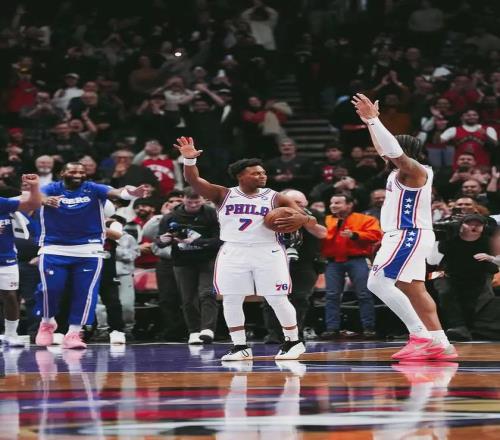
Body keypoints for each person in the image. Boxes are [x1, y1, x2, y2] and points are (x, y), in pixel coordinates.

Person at [174, 136, 315, 361]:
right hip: (233, 251)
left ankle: (293, 342)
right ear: (241, 176)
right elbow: (194, 180)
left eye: (263, 172)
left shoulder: (276, 197)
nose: (262, 176)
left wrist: (302, 219)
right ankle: (240, 346)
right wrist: (189, 160)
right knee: (231, 299)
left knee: (276, 298)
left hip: (268, 250)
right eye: (256, 173)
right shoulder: (223, 194)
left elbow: (307, 217)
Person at [352, 93, 457, 360]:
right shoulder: (399, 171)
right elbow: (384, 149)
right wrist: (369, 122)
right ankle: (441, 343)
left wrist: (374, 121)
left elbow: (392, 151)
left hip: (407, 234)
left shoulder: (415, 170)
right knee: (414, 289)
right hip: (409, 235)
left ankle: (419, 336)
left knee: (377, 283)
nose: (382, 152)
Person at [35, 162, 147, 349]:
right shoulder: (51, 188)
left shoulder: (93, 188)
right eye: (73, 171)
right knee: (50, 289)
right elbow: (35, 196)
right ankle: (46, 321)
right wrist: (44, 200)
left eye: (81, 171)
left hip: (89, 248)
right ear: (62, 173)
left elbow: (116, 192)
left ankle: (74, 333)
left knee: (85, 293)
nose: (78, 174)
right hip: (54, 247)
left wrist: (130, 193)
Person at [320, 193, 382, 339]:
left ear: (349, 205)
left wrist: (355, 235)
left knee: (364, 294)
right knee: (331, 295)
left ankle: (368, 328)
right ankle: (332, 329)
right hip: (333, 262)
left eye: (337, 203)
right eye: (332, 203)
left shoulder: (366, 219)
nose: (333, 206)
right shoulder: (325, 220)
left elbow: (376, 236)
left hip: (357, 260)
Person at [0, 174, 42, 346]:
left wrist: (34, 186)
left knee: (10, 296)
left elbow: (33, 204)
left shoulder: (3, 203)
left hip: (6, 259)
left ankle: (11, 334)